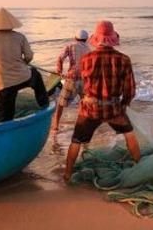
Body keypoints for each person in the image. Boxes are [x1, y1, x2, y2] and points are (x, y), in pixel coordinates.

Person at [63, 20, 140, 183]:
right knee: (130, 135)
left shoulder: (86, 59)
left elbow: (83, 85)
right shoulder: (124, 59)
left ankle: (67, 175)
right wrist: (124, 105)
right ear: (112, 39)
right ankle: (140, 167)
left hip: (89, 108)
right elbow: (130, 90)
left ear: (96, 39)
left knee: (76, 141)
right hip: (113, 108)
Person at [0, 8, 49, 122]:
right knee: (36, 76)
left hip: (2, 83)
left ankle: (4, 132)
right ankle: (44, 106)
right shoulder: (19, 37)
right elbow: (29, 56)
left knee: (5, 115)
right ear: (11, 24)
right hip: (22, 77)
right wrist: (24, 62)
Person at [51, 29, 92, 133]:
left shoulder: (70, 46)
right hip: (84, 80)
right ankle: (84, 124)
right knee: (84, 103)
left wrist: (59, 71)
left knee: (61, 102)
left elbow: (60, 58)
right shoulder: (89, 49)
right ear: (86, 39)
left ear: (75, 38)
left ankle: (56, 125)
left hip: (72, 79)